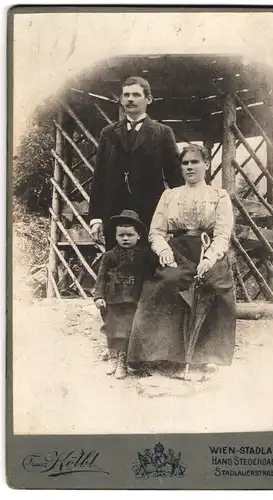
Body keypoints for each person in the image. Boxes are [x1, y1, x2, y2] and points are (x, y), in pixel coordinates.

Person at [127, 144, 236, 377]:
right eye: (185, 163)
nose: (189, 167)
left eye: (195, 162)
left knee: (215, 284)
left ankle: (209, 355)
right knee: (168, 281)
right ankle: (162, 354)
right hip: (177, 251)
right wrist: (163, 249)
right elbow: (156, 231)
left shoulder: (219, 196)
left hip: (207, 250)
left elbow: (223, 234)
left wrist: (209, 258)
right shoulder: (170, 196)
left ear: (206, 165)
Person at [89, 76, 183, 250]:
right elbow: (99, 177)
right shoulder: (108, 133)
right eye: (126, 95)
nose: (130, 99)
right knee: (117, 267)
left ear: (148, 99)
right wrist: (96, 218)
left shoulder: (162, 133)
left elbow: (175, 177)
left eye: (136, 95)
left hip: (150, 215)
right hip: (114, 215)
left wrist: (176, 218)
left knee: (149, 268)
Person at [93, 210, 157, 379]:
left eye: (130, 235)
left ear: (138, 236)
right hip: (112, 300)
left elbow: (152, 274)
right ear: (115, 236)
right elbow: (101, 278)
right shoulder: (109, 256)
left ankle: (123, 360)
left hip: (132, 300)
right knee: (111, 329)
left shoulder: (144, 255)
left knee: (126, 330)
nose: (125, 238)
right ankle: (112, 358)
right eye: (121, 235)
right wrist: (99, 296)